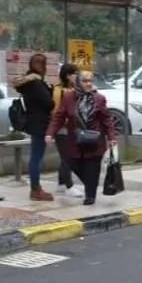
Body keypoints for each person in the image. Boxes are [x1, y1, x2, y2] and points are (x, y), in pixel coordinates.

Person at [45, 71, 117, 205]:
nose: (88, 84)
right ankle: (90, 185)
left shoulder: (99, 98)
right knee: (71, 162)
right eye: (85, 81)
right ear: (78, 82)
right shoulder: (68, 98)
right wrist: (50, 133)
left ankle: (90, 196)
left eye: (90, 81)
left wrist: (112, 137)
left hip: (95, 140)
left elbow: (106, 120)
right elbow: (59, 117)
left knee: (92, 168)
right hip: (75, 140)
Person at [13, 53, 55, 201]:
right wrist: (50, 92)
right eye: (45, 64)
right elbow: (49, 103)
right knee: (36, 157)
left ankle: (35, 188)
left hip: (33, 121)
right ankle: (35, 189)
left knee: (35, 156)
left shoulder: (27, 82)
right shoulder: (36, 83)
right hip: (39, 123)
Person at [51, 63, 83, 198]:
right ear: (68, 75)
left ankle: (61, 183)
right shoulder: (59, 90)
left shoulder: (73, 88)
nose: (77, 76)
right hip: (63, 128)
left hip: (72, 127)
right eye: (74, 74)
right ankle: (69, 186)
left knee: (66, 156)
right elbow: (56, 110)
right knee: (68, 157)